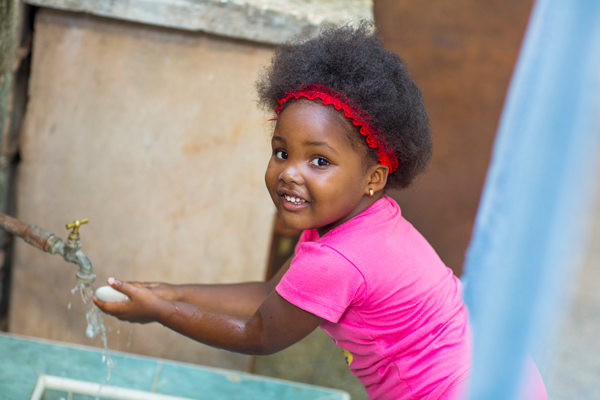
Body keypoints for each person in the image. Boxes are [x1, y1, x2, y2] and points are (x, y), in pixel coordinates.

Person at [94, 23, 471, 400]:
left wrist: (161, 311)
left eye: (319, 161)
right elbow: (268, 293)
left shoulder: (339, 258)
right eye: (282, 152)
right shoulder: (357, 220)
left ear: (373, 177)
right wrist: (171, 292)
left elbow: (258, 334)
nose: (290, 172)